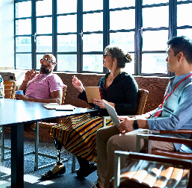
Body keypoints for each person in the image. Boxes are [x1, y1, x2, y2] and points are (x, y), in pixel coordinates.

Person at [93, 36, 192, 188]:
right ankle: (102, 182)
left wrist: (137, 123)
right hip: (156, 128)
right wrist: (138, 117)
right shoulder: (174, 81)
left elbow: (174, 123)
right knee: (102, 134)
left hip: (171, 137)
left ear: (180, 57)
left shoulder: (190, 87)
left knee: (115, 142)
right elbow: (161, 109)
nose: (166, 59)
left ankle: (110, 186)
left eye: (169, 54)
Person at [41, 46, 139, 180]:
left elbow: (132, 107)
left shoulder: (128, 80)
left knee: (79, 129)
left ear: (114, 59)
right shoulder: (104, 79)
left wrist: (110, 105)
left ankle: (88, 166)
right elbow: (96, 103)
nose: (103, 58)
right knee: (65, 126)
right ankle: (85, 166)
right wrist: (81, 89)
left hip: (113, 119)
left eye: (106, 55)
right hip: (98, 115)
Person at [15, 54, 65, 132]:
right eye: (48, 60)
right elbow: (18, 95)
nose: (50, 64)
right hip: (25, 109)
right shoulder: (33, 77)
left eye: (53, 63)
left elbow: (58, 101)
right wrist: (25, 81)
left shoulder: (53, 78)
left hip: (40, 112)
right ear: (41, 61)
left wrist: (29, 99)